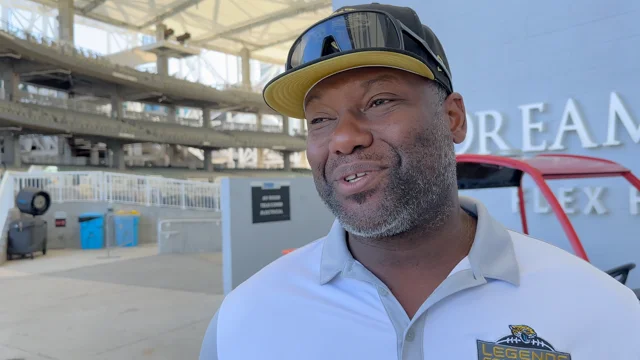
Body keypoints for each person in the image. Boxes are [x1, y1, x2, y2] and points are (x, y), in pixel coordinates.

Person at [200, 3, 640, 359]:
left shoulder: (602, 311)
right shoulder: (244, 319)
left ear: (453, 118)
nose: (344, 138)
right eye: (320, 119)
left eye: (379, 101)